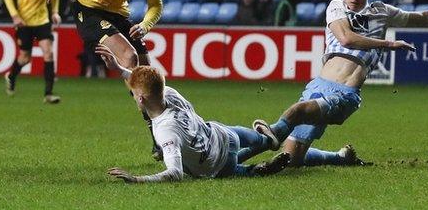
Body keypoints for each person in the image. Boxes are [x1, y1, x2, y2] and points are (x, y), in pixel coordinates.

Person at [248, 0, 428, 167]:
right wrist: (388, 43)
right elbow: (346, 39)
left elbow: (424, 17)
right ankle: (340, 157)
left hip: (344, 94)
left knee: (295, 112)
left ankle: (270, 138)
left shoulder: (382, 12)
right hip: (318, 86)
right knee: (292, 159)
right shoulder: (336, 6)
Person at [40, 0, 165, 159]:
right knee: (129, 58)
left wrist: (145, 25)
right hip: (88, 10)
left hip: (119, 15)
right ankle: (157, 131)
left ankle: (159, 136)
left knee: (149, 73)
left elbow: (155, 6)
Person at [95, 45, 290, 182]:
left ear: (141, 99)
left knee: (219, 168)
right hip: (225, 138)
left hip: (218, 166)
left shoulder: (165, 131)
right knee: (220, 128)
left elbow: (174, 173)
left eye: (134, 93)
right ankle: (265, 140)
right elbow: (145, 83)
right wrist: (118, 69)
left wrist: (137, 179)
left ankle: (252, 171)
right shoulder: (168, 92)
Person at [3, 0, 61, 103]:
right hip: (24, 23)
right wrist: (15, 16)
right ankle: (11, 76)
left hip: (42, 20)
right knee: (25, 58)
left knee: (48, 53)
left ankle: (48, 94)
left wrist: (55, 12)